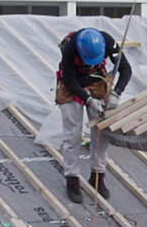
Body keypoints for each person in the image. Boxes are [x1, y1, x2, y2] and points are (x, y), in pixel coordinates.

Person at [54, 26, 131, 203]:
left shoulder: (108, 43)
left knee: (101, 130)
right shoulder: (70, 46)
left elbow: (126, 69)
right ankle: (72, 177)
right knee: (73, 133)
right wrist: (88, 100)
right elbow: (69, 80)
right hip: (71, 85)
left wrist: (116, 93)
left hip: (97, 81)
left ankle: (98, 175)